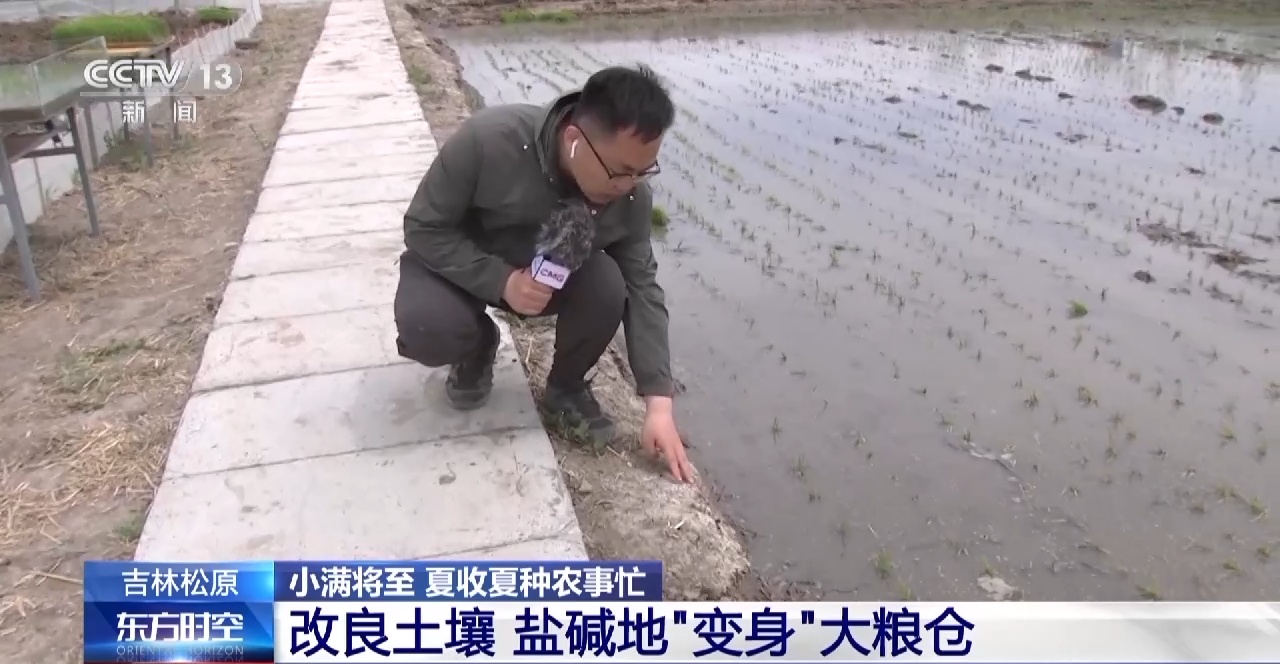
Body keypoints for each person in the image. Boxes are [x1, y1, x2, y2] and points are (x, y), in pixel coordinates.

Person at [394, 65, 696, 483]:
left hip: (545, 280)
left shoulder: (629, 197)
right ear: (574, 140)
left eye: (643, 171)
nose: (628, 186)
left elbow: (643, 286)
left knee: (609, 284)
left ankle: (565, 389)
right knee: (427, 326)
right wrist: (502, 281)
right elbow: (424, 227)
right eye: (620, 171)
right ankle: (477, 346)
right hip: (462, 267)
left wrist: (659, 404)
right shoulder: (488, 141)